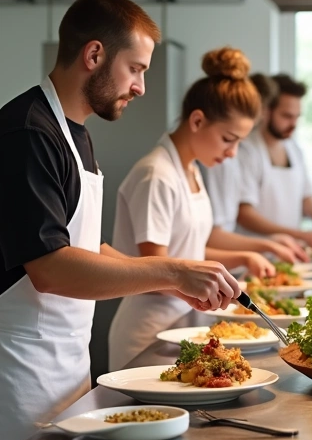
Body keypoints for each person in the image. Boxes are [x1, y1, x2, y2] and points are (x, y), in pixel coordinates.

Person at [0, 0, 240, 440]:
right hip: (20, 367)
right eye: (135, 69)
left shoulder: (76, 132)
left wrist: (178, 274)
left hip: (65, 359)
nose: (141, 88)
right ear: (94, 55)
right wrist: (171, 271)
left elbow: (87, 249)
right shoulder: (28, 135)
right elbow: (52, 269)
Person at [108, 48, 276, 370]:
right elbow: (156, 268)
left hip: (183, 325)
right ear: (197, 120)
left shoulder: (190, 170)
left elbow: (189, 252)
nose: (232, 153)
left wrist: (243, 258)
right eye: (229, 139)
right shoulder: (156, 175)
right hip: (149, 335)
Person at [199, 72, 308, 265]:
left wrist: (268, 244)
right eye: (230, 139)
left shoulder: (227, 156)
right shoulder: (225, 158)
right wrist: (266, 245)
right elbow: (210, 238)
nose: (233, 151)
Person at [235, 73, 312, 251]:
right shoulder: (245, 151)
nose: (294, 124)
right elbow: (244, 214)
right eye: (287, 116)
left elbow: (306, 199)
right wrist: (301, 235)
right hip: (253, 256)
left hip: (288, 253)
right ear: (267, 111)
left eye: (297, 117)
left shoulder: (294, 150)